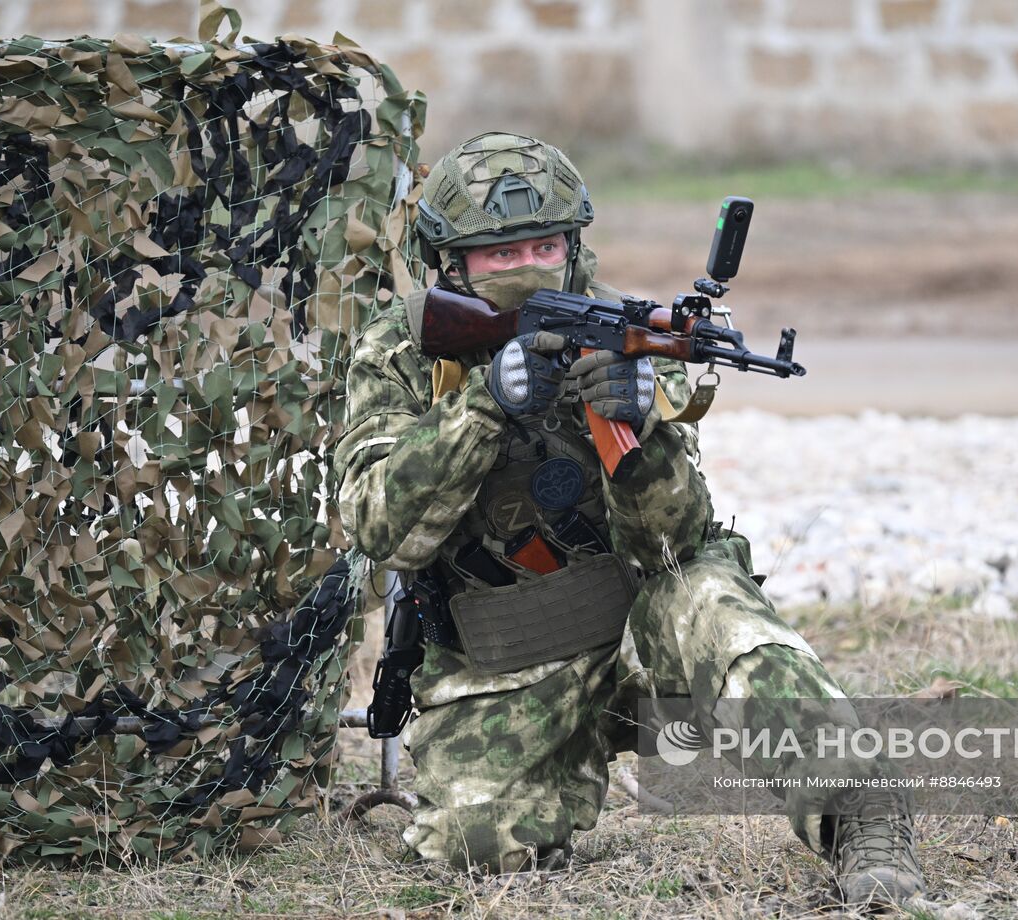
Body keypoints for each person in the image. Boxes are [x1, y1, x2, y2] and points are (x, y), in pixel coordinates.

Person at [331, 131, 925, 910]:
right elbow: (377, 527)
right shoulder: (405, 350)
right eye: (498, 255)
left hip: (645, 633)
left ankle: (861, 817)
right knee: (475, 854)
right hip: (503, 655)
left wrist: (637, 431)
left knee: (714, 602)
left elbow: (673, 546)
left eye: (543, 246)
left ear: (574, 248)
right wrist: (484, 407)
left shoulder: (626, 340)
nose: (526, 268)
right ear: (452, 264)